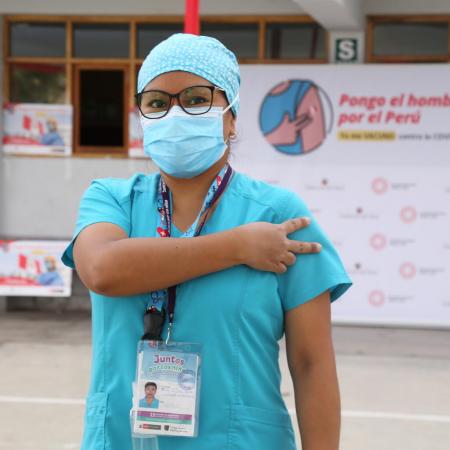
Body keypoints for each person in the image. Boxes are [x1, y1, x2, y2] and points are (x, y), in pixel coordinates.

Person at [61, 33, 351, 450]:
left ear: (231, 118)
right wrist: (237, 247)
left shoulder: (278, 215)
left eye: (196, 99)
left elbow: (311, 364)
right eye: (158, 103)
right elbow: (102, 270)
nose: (175, 113)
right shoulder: (112, 200)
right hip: (121, 439)